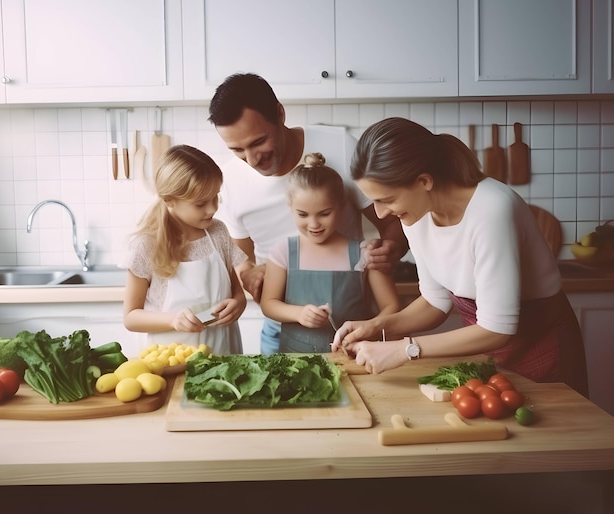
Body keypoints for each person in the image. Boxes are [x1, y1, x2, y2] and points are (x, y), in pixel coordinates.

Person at [332, 117, 589, 397]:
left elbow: (497, 328)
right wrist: (377, 325)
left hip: (544, 348)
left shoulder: (492, 209)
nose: (380, 214)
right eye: (374, 201)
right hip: (490, 354)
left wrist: (404, 349)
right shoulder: (414, 215)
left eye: (387, 200)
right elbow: (435, 302)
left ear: (424, 181)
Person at [208, 72, 408, 354]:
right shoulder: (229, 179)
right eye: (238, 150)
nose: (252, 160)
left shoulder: (341, 145)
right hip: (281, 328)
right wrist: (249, 274)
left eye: (258, 142)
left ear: (280, 113)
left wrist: (390, 249)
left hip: (352, 323)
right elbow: (242, 259)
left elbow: (394, 220)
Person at [260, 153, 401, 353]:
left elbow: (392, 306)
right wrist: (299, 313)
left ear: (342, 207)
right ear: (291, 208)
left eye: (324, 214)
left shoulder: (365, 253)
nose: (314, 224)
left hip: (352, 356)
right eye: (302, 214)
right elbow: (269, 304)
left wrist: (369, 329)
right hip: (295, 360)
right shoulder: (283, 251)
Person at [123, 145, 247, 355]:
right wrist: (173, 320)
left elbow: (237, 292)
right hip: (172, 360)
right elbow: (131, 317)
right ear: (169, 201)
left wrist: (238, 303)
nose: (212, 208)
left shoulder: (218, 233)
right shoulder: (146, 246)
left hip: (224, 353)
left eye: (215, 197)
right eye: (200, 204)